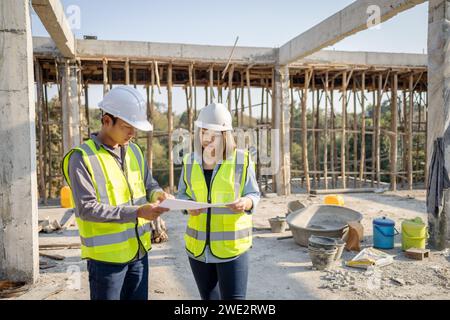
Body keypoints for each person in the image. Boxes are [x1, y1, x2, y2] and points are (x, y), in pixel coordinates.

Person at [62, 86, 173, 300]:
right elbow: (87, 209)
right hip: (106, 263)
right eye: (126, 127)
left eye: (135, 128)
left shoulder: (134, 151)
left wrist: (158, 194)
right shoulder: (81, 158)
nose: (132, 133)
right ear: (106, 121)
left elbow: (149, 184)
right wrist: (138, 212)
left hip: (139, 254)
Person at [177, 102, 260, 300]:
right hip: (197, 249)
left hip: (232, 248)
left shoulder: (241, 160)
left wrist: (245, 203)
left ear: (225, 135)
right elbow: (182, 195)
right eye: (203, 132)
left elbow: (254, 194)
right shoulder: (189, 161)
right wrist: (188, 207)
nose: (206, 138)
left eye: (213, 134)